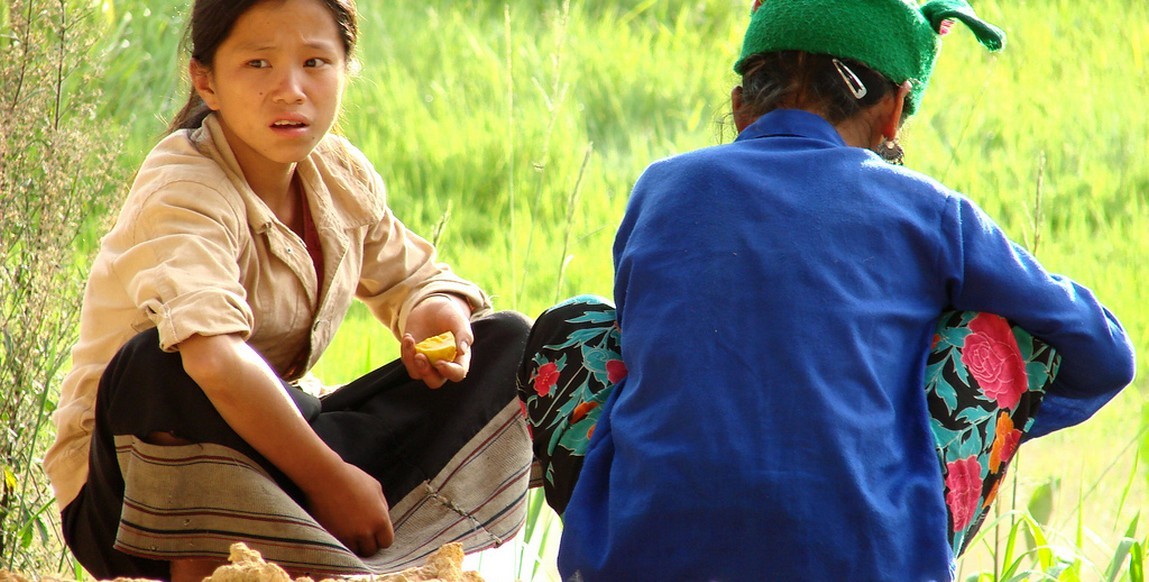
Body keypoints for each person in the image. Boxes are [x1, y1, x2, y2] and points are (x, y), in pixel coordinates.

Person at [516, 0, 1136, 579]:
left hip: (640, 555)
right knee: (1001, 334)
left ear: (739, 104)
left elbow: (652, 344)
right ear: (894, 110)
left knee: (571, 326)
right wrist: (909, 410)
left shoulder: (662, 187)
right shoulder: (926, 209)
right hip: (870, 558)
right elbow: (1105, 351)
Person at [43, 0, 531, 580]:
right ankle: (248, 553)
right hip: (124, 495)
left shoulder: (336, 173)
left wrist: (433, 310)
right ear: (206, 80)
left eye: (315, 62)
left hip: (279, 456)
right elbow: (217, 363)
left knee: (510, 344)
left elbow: (413, 278)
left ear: (345, 67)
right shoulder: (182, 187)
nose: (290, 89)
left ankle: (358, 543)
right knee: (165, 362)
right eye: (257, 64)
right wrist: (329, 480)